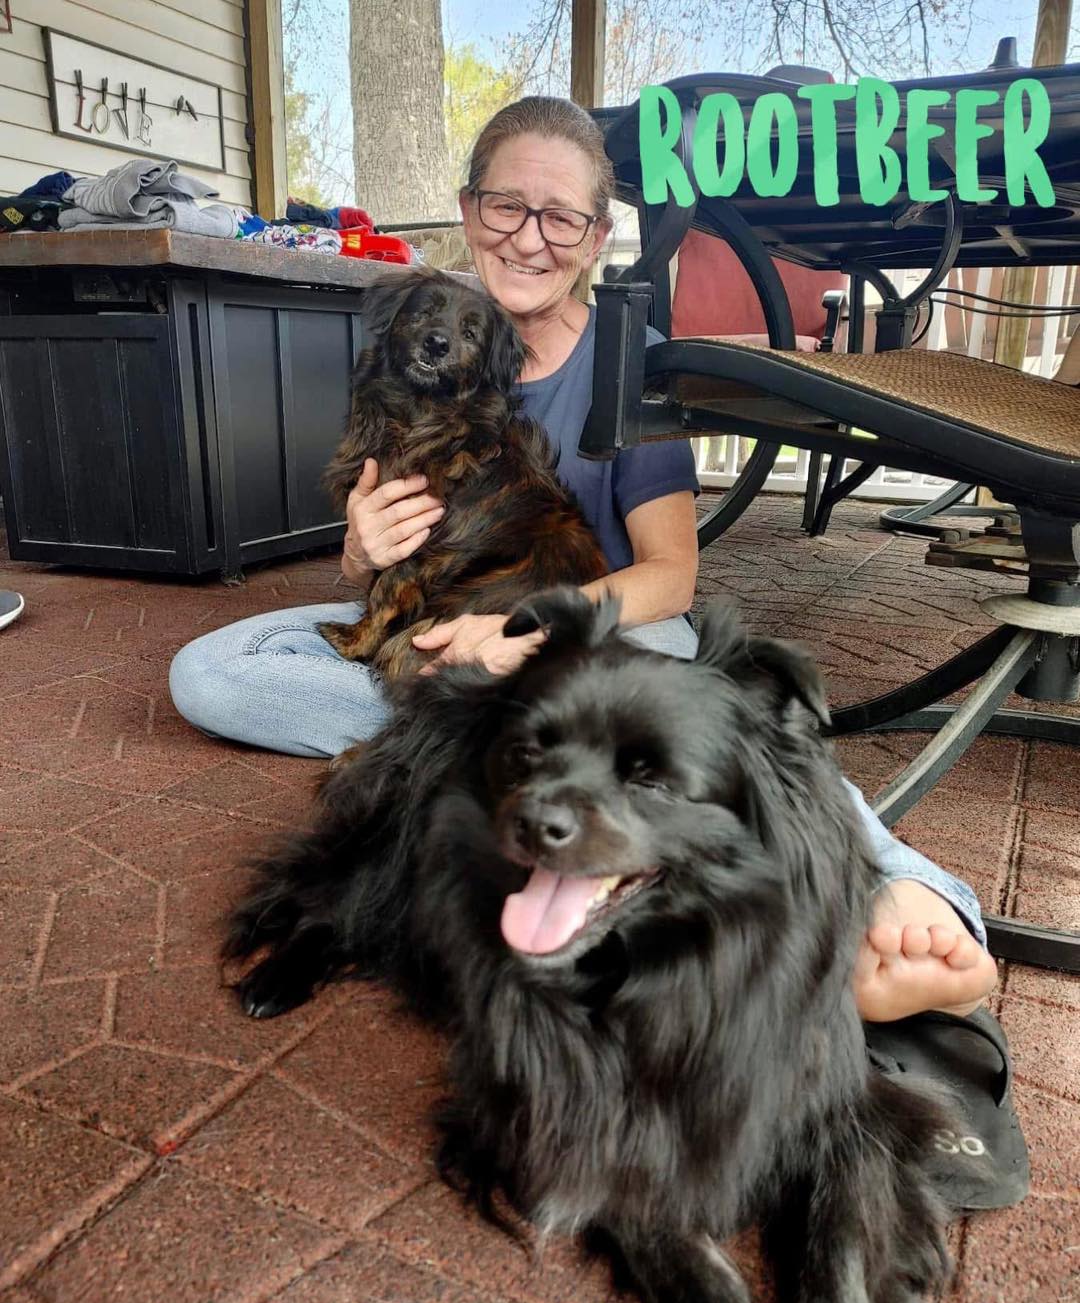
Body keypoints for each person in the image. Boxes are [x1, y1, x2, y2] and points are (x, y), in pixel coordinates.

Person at [170, 95, 997, 1027]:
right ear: (468, 208)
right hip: (443, 640)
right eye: (504, 206)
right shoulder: (424, 339)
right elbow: (402, 575)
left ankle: (913, 893)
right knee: (209, 673)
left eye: (562, 216)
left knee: (711, 721)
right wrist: (361, 554)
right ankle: (469, 741)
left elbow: (670, 576)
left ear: (598, 234)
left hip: (604, 633)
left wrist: (524, 631)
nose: (530, 238)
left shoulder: (625, 358)